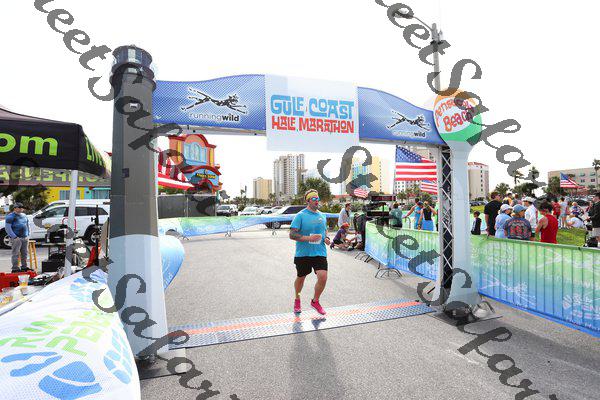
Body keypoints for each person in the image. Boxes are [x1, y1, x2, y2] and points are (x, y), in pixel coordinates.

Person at [289, 189, 331, 315]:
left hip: (319, 252)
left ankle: (315, 301)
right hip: (303, 253)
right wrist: (309, 238)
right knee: (301, 278)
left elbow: (325, 230)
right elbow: (292, 234)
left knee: (323, 277)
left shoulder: (322, 215)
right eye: (314, 199)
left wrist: (327, 238)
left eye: (318, 198)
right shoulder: (300, 215)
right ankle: (297, 299)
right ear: (308, 200)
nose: (317, 201)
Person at [5, 202, 31, 273]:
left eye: (22, 208)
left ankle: (24, 267)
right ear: (15, 208)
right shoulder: (10, 216)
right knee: (15, 253)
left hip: (25, 237)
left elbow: (27, 225)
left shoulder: (24, 215)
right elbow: (7, 228)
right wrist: (15, 237)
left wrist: (28, 234)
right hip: (16, 238)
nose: (21, 209)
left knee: (25, 253)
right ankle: (15, 268)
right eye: (19, 208)